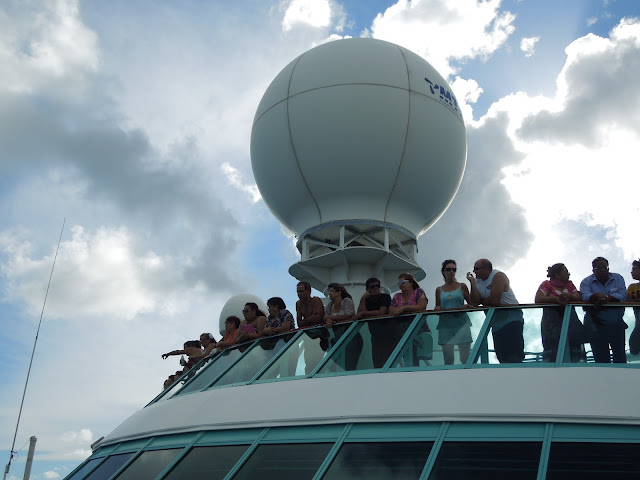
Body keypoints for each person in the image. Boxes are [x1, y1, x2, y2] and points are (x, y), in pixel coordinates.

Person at [467, 258, 524, 363]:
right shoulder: (478, 281)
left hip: (512, 318)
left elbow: (495, 301)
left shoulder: (498, 276)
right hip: (496, 322)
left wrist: (482, 302)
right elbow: (475, 302)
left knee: (514, 355)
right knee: (501, 356)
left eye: (476, 268)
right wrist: (472, 283)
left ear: (486, 269)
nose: (474, 271)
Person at [535, 263, 585, 362]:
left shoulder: (569, 285)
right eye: (566, 272)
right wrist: (556, 299)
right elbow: (538, 298)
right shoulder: (547, 284)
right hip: (552, 322)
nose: (569, 274)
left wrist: (569, 296)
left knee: (574, 348)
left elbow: (578, 297)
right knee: (553, 349)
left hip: (570, 321)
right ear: (557, 275)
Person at [580, 257, 627, 363]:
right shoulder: (586, 282)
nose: (603, 270)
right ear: (593, 270)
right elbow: (585, 296)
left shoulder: (618, 278)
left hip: (616, 325)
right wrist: (595, 296)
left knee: (620, 357)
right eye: (599, 268)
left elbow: (622, 296)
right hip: (596, 326)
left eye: (605, 267)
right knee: (601, 359)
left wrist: (607, 298)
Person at [435, 260, 473, 365]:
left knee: (465, 358)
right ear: (443, 271)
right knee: (448, 359)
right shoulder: (439, 290)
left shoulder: (462, 286)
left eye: (454, 269)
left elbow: (472, 303)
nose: (451, 271)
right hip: (445, 326)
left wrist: (467, 306)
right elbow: (438, 307)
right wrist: (437, 309)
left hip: (461, 324)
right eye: (448, 269)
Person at [354, 278, 396, 368]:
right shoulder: (367, 300)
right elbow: (359, 314)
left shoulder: (385, 297)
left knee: (388, 363)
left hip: (389, 335)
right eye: (373, 287)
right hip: (375, 336)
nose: (376, 288)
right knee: (377, 363)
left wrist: (364, 313)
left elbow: (382, 312)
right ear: (367, 290)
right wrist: (363, 298)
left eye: (378, 286)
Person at [325, 283, 361, 370]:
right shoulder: (330, 305)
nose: (329, 293)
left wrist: (331, 317)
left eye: (332, 291)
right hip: (336, 338)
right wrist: (328, 320)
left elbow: (349, 315)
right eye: (329, 291)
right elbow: (326, 317)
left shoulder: (346, 301)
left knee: (349, 364)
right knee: (333, 365)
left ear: (339, 292)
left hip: (350, 337)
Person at [627, 259, 640, 355]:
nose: (631, 272)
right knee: (634, 347)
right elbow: (627, 300)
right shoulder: (632, 287)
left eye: (635, 269)